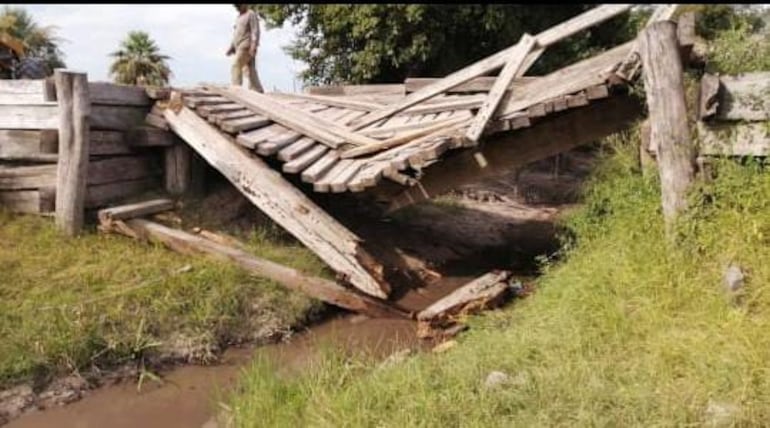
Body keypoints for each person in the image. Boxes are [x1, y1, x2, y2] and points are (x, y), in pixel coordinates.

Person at [226, 4, 264, 92]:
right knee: (249, 69)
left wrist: (254, 45)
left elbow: (255, 31)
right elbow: (236, 34)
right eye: (236, 6)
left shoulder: (250, 14)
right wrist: (231, 47)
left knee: (236, 65)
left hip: (246, 45)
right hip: (238, 46)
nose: (237, 8)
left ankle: (236, 89)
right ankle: (257, 89)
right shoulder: (238, 18)